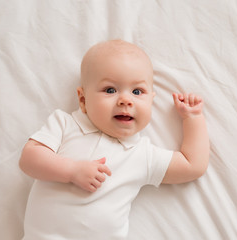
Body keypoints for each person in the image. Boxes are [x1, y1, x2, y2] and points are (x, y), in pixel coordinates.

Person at [19, 39, 209, 240]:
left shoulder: (142, 154)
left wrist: (193, 118)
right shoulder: (65, 124)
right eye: (110, 90)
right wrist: (72, 171)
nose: (125, 100)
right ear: (83, 100)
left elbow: (192, 165)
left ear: (151, 100)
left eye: (137, 92)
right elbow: (29, 159)